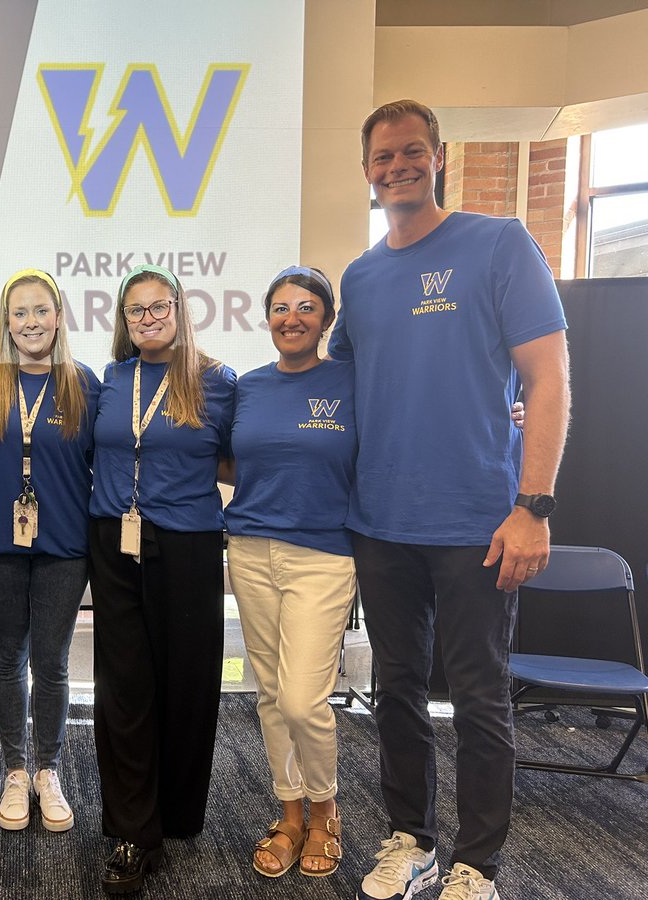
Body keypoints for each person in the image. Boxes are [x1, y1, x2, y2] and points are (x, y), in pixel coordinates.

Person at [332, 100, 570, 900]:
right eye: (381, 157)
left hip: (479, 522)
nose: (395, 166)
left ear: (439, 157)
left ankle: (478, 865)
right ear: (365, 171)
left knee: (478, 698)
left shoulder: (499, 243)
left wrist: (532, 503)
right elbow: (338, 388)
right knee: (395, 691)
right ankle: (412, 840)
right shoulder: (359, 278)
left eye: (410, 153)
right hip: (380, 524)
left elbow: (547, 380)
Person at [86, 264, 236, 894]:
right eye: (135, 310)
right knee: (124, 685)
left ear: (180, 308)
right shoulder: (110, 381)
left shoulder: (216, 381)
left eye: (158, 306)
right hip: (114, 542)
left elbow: (249, 451)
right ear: (123, 320)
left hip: (190, 543)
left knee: (187, 680)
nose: (147, 318)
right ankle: (131, 830)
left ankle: (176, 814)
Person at [223, 266, 356, 880]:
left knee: (305, 699)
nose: (292, 317)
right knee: (271, 694)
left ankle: (325, 808)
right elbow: (226, 458)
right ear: (267, 317)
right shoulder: (247, 387)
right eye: (280, 307)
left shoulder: (353, 381)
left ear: (327, 319)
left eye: (306, 307)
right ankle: (289, 813)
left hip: (324, 556)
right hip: (249, 550)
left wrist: (505, 413)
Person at [0, 269, 99, 833]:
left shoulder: (82, 383)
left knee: (52, 662)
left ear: (59, 316)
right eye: (20, 313)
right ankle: (15, 769)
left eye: (42, 311)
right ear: (6, 321)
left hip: (64, 544)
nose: (31, 322)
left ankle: (49, 769)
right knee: (8, 658)